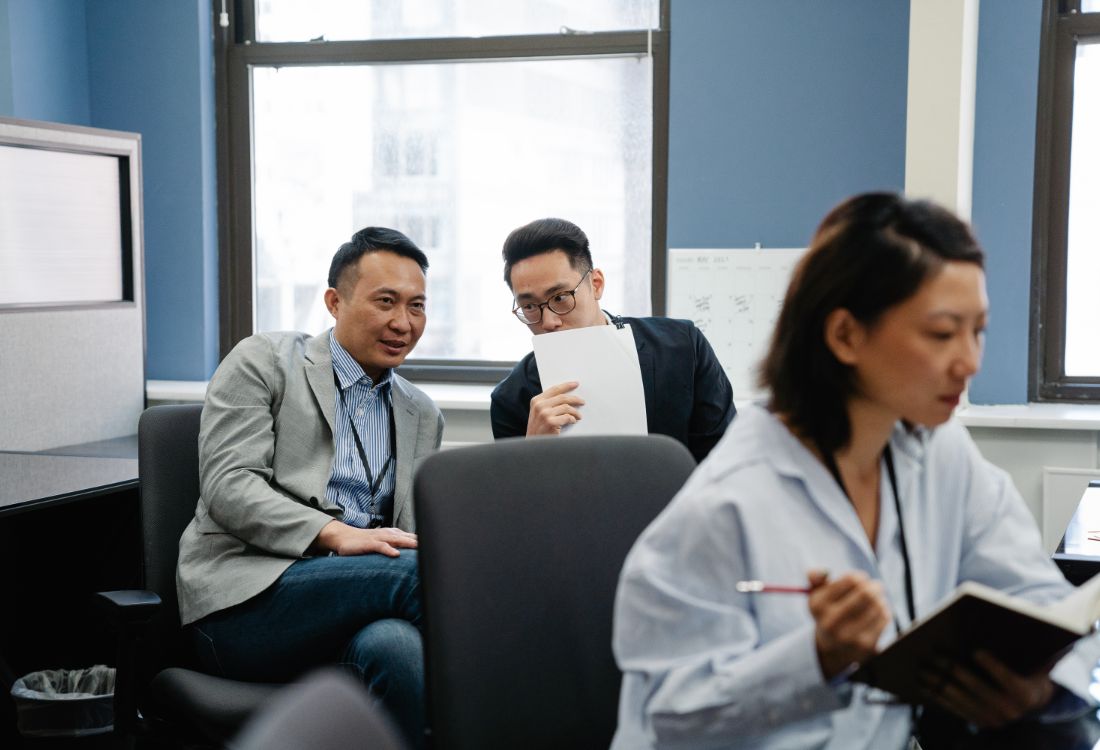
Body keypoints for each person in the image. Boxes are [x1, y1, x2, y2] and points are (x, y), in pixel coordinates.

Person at [610, 193, 1099, 749]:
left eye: (978, 330)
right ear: (845, 335)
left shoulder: (943, 455)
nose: (970, 361)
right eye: (942, 334)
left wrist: (1036, 691)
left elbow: (1045, 604)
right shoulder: (725, 504)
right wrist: (815, 660)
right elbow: (669, 720)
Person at [175, 227, 443, 747]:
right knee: (422, 577)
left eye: (417, 306)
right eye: (385, 301)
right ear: (334, 301)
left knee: (397, 648)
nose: (402, 323)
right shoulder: (265, 361)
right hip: (246, 603)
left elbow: (409, 530)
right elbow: (230, 486)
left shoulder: (421, 413)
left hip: (354, 603)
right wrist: (332, 533)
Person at [490, 217, 735, 462]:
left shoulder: (682, 347)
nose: (548, 321)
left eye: (560, 297)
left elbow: (724, 461)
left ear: (596, 284)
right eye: (530, 306)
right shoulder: (511, 400)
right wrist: (532, 451)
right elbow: (523, 499)